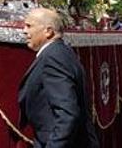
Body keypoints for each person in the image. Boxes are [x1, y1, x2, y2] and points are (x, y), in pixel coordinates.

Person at [18, 8, 98, 148]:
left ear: (48, 31)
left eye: (29, 26)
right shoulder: (57, 52)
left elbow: (67, 113)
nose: (24, 30)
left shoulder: (54, 57)